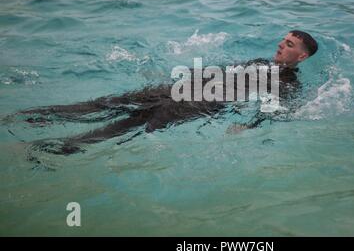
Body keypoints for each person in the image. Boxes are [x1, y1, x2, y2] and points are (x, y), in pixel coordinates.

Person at [19, 30, 318, 155]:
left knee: (127, 125)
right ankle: (32, 117)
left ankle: (55, 149)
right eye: (283, 40)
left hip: (200, 102)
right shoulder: (259, 62)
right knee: (107, 103)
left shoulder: (289, 84)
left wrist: (248, 126)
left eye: (290, 45)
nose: (281, 45)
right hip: (181, 87)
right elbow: (219, 72)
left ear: (302, 57)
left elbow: (277, 111)